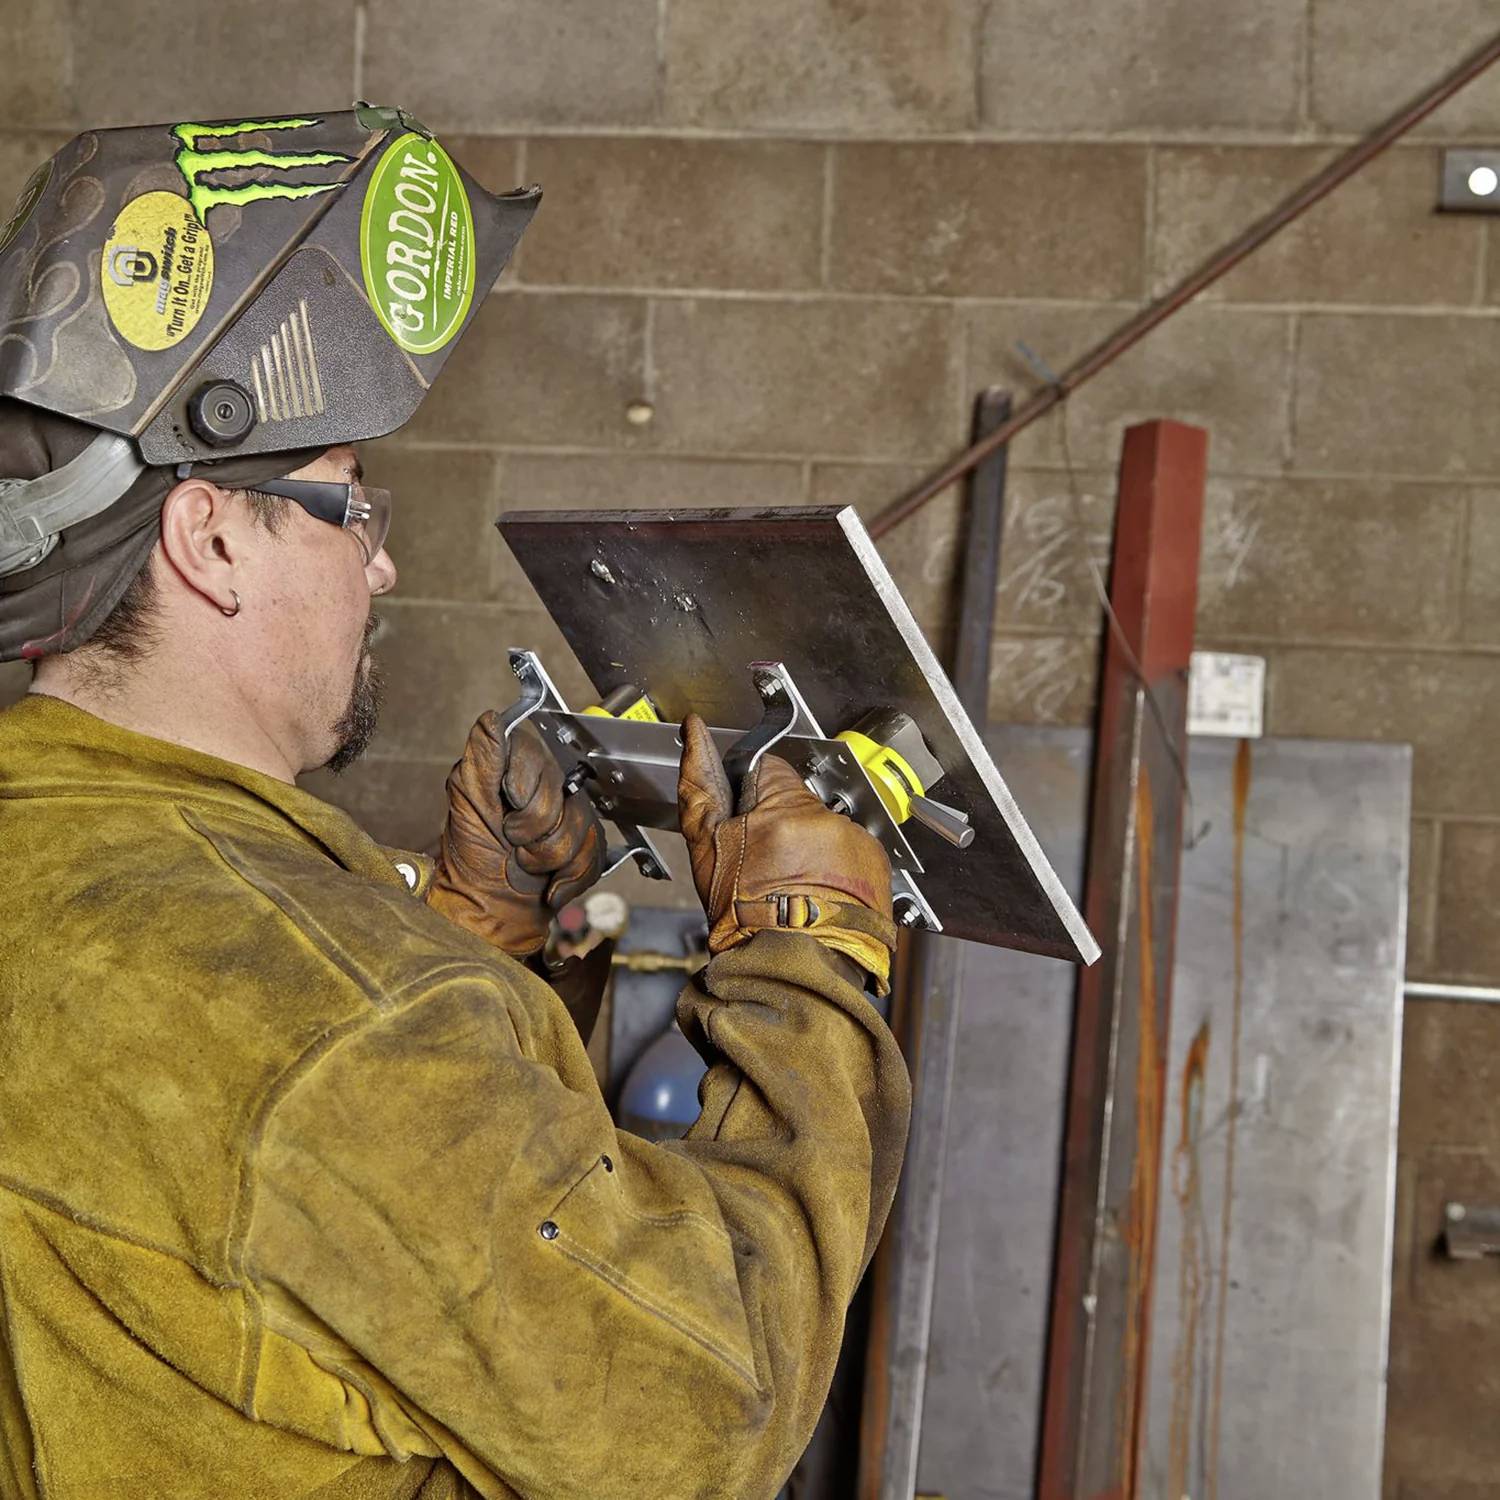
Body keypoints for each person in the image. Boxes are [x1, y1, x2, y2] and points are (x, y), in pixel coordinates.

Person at [0, 110, 911, 1498]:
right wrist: (806, 962)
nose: (379, 566)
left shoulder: (75, 867)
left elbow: (262, 1243)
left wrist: (461, 940)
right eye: (348, 501)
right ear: (210, 541)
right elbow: (703, 1409)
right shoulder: (342, 1026)